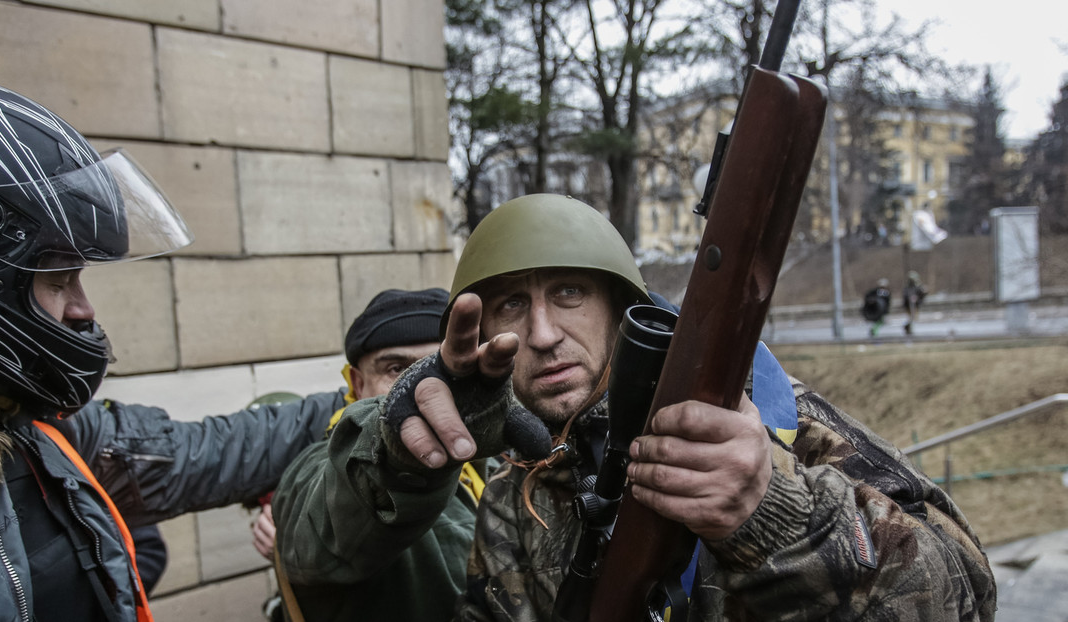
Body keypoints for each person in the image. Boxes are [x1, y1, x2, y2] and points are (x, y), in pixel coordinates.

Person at [274, 194, 996, 621]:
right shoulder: (514, 493)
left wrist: (775, 513)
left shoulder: (765, 424)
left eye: (567, 294)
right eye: (512, 305)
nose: (544, 334)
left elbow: (963, 597)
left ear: (621, 307)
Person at [0, 76, 334, 621]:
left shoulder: (28, 427)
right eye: (59, 279)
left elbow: (202, 452)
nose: (82, 309)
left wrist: (370, 405)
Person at [248, 287, 447, 620]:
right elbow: (331, 508)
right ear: (357, 383)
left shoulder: (496, 452)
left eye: (438, 366)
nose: (423, 387)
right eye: (397, 369)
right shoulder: (330, 462)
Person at [903, 271, 929, 335]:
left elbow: (922, 294)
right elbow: (905, 295)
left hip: (916, 305)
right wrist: (909, 299)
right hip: (909, 305)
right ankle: (909, 329)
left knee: (914, 318)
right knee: (912, 317)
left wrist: (918, 297)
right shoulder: (908, 287)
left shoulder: (918, 286)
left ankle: (908, 328)